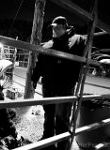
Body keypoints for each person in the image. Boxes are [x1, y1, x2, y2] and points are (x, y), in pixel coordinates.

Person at [31, 16, 87, 150]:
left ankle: (63, 144)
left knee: (62, 116)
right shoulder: (47, 45)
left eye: (57, 27)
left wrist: (100, 61)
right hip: (48, 84)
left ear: (64, 27)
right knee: (49, 113)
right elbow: (39, 64)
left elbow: (89, 52)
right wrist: (34, 78)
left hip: (65, 85)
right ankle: (48, 139)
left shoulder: (78, 40)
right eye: (53, 28)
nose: (54, 30)